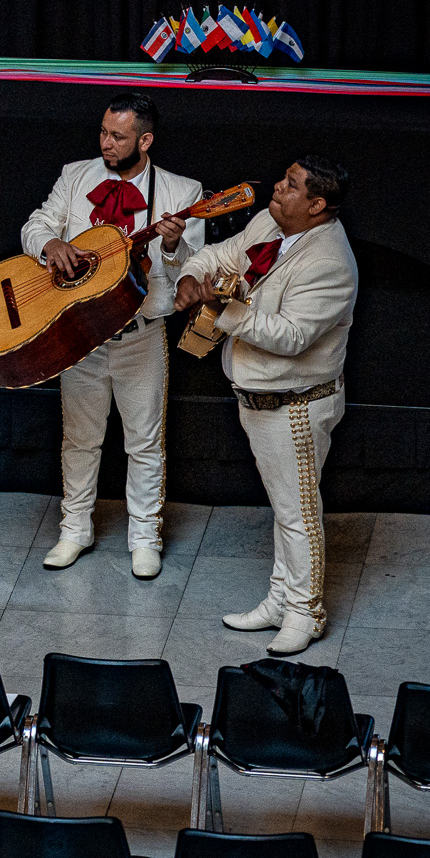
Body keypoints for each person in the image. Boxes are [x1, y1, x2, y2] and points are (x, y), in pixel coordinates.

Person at [175, 155, 358, 654]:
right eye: (284, 179)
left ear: (317, 205)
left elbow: (291, 336)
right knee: (286, 508)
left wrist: (221, 308)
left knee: (299, 514)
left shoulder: (329, 262)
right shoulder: (269, 222)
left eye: (291, 184)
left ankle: (305, 612)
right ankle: (280, 600)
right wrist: (191, 276)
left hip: (295, 405)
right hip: (258, 396)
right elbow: (223, 255)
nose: (277, 186)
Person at [20, 92, 204, 580]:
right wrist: (50, 243)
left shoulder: (183, 191)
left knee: (144, 443)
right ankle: (74, 529)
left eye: (118, 136)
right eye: (103, 132)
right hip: (80, 337)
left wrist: (172, 246)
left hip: (141, 337)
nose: (106, 143)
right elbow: (35, 225)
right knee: (79, 440)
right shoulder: (74, 175)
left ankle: (144, 537)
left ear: (145, 141)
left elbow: (190, 273)